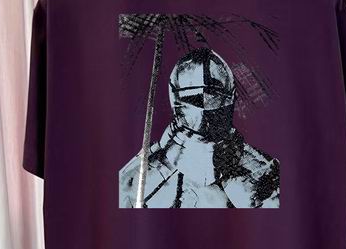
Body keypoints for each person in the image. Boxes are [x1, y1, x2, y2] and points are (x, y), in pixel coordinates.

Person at [119, 47, 280, 208]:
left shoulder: (264, 176)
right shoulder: (135, 179)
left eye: (214, 97)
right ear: (176, 99)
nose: (204, 109)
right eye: (193, 99)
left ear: (231, 97)